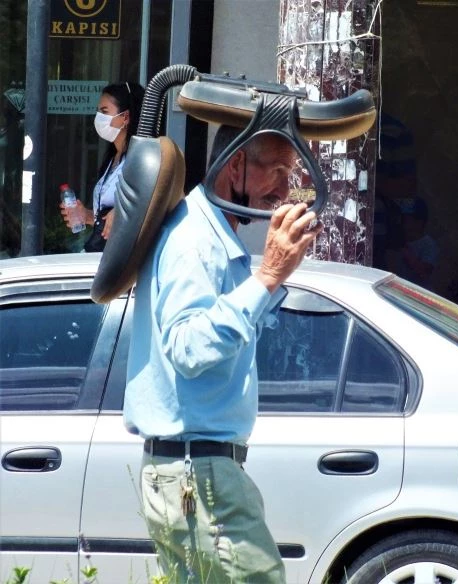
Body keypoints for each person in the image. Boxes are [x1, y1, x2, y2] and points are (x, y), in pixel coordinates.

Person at [123, 124, 322, 582]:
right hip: (197, 472)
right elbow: (188, 348)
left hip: (197, 470)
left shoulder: (209, 235)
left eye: (288, 173)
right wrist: (268, 275)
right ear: (235, 166)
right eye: (274, 170)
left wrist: (273, 277)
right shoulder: (194, 240)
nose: (283, 188)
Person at [60, 81, 144, 252]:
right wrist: (86, 216)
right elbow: (105, 222)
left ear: (125, 117)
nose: (99, 118)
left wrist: (121, 212)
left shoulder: (139, 161)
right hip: (100, 252)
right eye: (98, 112)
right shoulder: (113, 159)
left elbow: (146, 205)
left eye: (104, 112)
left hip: (120, 259)